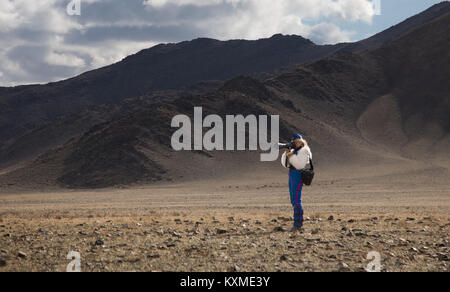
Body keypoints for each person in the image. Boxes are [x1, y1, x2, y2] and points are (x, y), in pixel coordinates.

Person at [281, 134, 312, 232]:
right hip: (292, 173)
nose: (294, 142)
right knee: (293, 200)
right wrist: (287, 152)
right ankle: (296, 223)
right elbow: (285, 164)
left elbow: (299, 164)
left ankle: (298, 224)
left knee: (296, 200)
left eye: (296, 141)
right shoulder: (295, 151)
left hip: (298, 174)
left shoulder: (304, 150)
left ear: (300, 141)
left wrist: (289, 154)